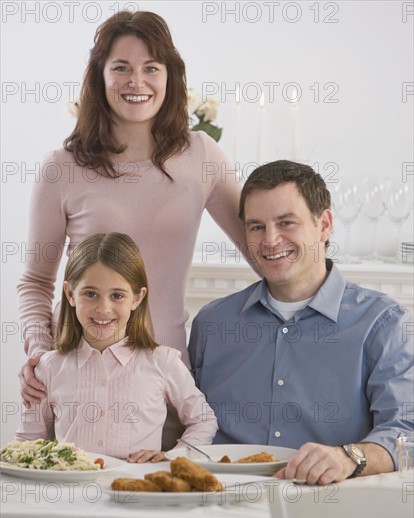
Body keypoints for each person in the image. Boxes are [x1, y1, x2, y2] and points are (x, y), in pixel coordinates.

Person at [17, 11, 246, 448]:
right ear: (99, 77)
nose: (135, 81)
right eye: (120, 67)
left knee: (159, 510)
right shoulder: (61, 167)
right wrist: (39, 353)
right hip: (74, 385)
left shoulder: (202, 155)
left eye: (151, 68)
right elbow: (34, 282)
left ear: (170, 77)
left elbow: (260, 246)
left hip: (163, 389)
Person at [189, 160, 413, 485]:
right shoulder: (211, 323)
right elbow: (181, 420)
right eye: (256, 226)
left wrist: (350, 456)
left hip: (326, 509)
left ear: (324, 225)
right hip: (214, 503)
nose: (270, 239)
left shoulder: (383, 324)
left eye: (286, 222)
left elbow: (406, 430)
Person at [16, 233, 217, 462]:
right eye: (90, 294)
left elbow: (203, 420)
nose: (103, 308)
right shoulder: (48, 368)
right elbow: (28, 440)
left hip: (139, 490)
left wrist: (172, 457)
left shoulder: (164, 362)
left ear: (137, 298)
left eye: (117, 295)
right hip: (71, 493)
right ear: (70, 294)